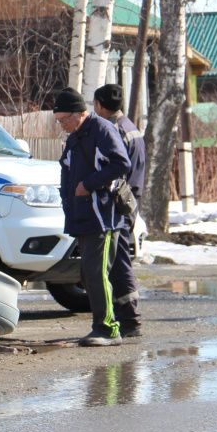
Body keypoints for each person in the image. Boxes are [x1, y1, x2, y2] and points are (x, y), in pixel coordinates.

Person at [53, 87, 131, 346]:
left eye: (64, 119)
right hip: (82, 215)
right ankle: (103, 325)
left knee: (97, 273)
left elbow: (121, 163)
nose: (63, 125)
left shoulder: (102, 129)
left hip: (102, 216)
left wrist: (88, 184)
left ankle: (108, 329)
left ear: (80, 113)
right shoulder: (75, 136)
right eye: (59, 121)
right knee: (89, 274)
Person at [93, 83, 145, 337]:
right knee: (120, 259)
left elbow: (114, 169)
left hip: (119, 203)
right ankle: (127, 317)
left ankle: (130, 319)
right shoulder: (130, 127)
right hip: (131, 199)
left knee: (119, 262)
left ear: (100, 105)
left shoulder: (113, 131)